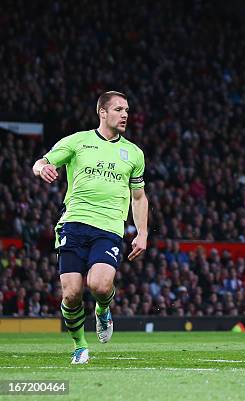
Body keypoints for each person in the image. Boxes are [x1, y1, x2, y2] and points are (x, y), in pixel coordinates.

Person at [32, 91, 148, 364]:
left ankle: (103, 309)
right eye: (119, 109)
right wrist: (42, 169)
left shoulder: (133, 153)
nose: (125, 115)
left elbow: (139, 196)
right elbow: (42, 162)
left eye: (127, 110)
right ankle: (80, 345)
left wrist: (142, 233)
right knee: (71, 293)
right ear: (103, 112)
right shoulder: (78, 141)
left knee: (98, 284)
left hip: (108, 228)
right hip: (73, 224)